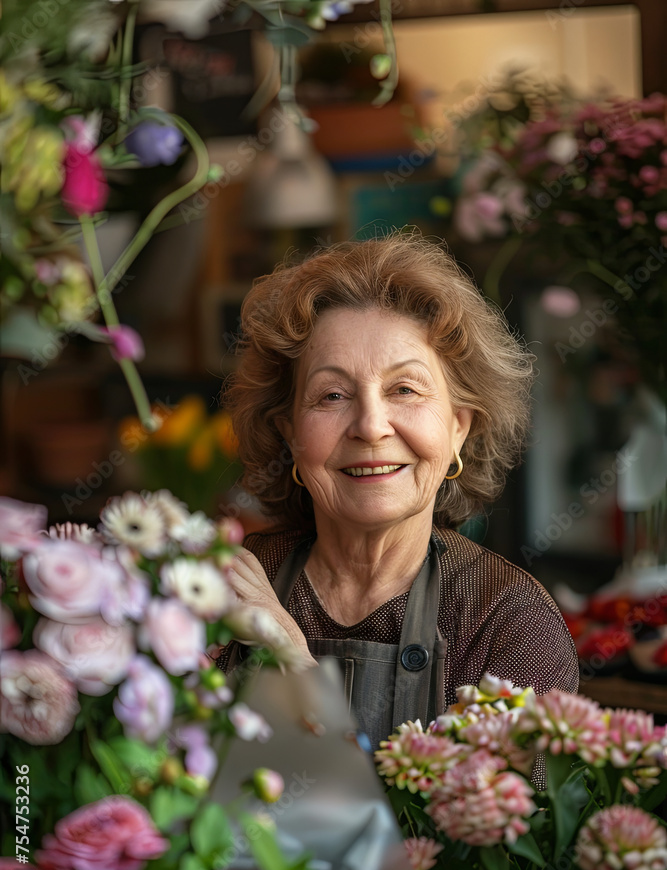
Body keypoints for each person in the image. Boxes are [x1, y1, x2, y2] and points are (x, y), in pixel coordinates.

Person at [218, 232, 578, 750]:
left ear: (458, 426)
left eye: (404, 389)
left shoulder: (507, 622)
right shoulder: (228, 584)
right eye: (332, 395)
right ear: (289, 432)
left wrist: (291, 663)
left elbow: (477, 828)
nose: (370, 425)